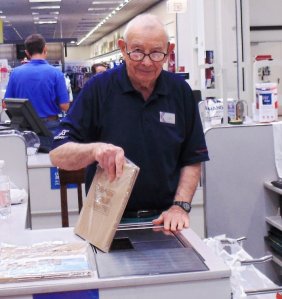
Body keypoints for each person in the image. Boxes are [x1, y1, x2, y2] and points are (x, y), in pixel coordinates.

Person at [49, 14, 209, 231]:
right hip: (105, 220)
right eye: (137, 51)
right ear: (123, 49)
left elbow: (192, 158)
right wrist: (95, 150)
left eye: (155, 53)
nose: (146, 61)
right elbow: (57, 153)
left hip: (164, 221)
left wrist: (180, 206)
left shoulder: (180, 92)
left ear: (168, 53)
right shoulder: (98, 89)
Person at [4, 33, 70, 136]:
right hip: (50, 126)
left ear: (26, 52)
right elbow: (64, 106)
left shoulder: (15, 73)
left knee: (25, 151)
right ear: (45, 48)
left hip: (24, 126)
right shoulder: (56, 73)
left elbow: (5, 103)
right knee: (51, 151)